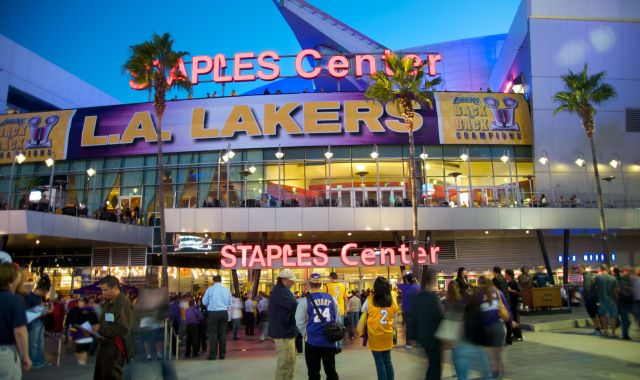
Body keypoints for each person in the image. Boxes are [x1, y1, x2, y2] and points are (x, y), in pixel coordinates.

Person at [295, 273, 340, 380]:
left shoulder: (304, 300)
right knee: (331, 371)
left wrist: (305, 333)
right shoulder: (332, 299)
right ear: (322, 284)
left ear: (309, 285)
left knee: (313, 372)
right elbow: (337, 317)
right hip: (329, 341)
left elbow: (299, 321)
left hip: (312, 341)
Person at [94, 275, 133, 380]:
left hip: (115, 348)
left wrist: (100, 329)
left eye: (106, 290)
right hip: (105, 345)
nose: (103, 293)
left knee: (112, 376)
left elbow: (123, 328)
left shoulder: (123, 303)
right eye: (102, 290)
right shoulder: (108, 301)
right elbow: (107, 320)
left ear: (115, 288)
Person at [408, 269, 443, 380]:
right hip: (434, 337)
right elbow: (439, 317)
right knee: (435, 366)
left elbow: (412, 318)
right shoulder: (434, 298)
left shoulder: (418, 298)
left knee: (431, 364)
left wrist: (411, 336)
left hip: (422, 336)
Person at [362, 277, 399, 380]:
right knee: (387, 360)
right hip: (387, 334)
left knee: (379, 362)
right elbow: (395, 313)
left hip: (374, 335)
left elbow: (363, 309)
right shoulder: (392, 300)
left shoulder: (370, 299)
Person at [0, 263, 32, 379]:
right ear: (12, 278)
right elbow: (20, 331)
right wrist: (25, 356)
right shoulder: (15, 300)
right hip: (4, 354)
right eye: (19, 276)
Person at [475, 276, 510, 379]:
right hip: (499, 326)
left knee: (489, 354)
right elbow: (506, 308)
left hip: (485, 327)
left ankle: (492, 375)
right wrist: (511, 320)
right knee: (499, 354)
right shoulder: (498, 292)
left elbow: (474, 312)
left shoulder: (478, 295)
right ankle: (500, 376)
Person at [268, 269, 299, 380]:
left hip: (284, 330)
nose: (293, 283)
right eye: (291, 281)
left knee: (289, 360)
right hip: (283, 331)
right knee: (285, 362)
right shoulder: (281, 291)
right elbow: (292, 306)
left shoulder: (281, 290)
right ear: (284, 280)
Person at [202, 275, 231, 360]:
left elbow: (204, 302)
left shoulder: (210, 289)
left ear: (213, 281)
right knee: (222, 334)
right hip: (224, 312)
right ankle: (222, 354)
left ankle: (213, 354)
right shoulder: (226, 290)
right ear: (221, 281)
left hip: (213, 313)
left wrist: (210, 305)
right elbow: (230, 302)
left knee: (213, 334)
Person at [25, 274, 52, 369]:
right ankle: (34, 361)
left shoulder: (38, 297)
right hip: (34, 323)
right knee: (34, 343)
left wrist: (43, 310)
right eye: (44, 293)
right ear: (40, 290)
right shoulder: (30, 297)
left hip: (39, 322)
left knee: (40, 343)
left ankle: (40, 360)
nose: (44, 295)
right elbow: (27, 312)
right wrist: (40, 310)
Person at [65, 297, 99, 365]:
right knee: (71, 338)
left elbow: (94, 321)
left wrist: (94, 329)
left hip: (83, 330)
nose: (80, 303)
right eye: (79, 302)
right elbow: (68, 318)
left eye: (82, 302)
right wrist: (67, 326)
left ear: (85, 303)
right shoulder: (73, 310)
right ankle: (72, 348)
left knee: (82, 342)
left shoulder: (90, 311)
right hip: (72, 327)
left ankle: (82, 357)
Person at [594, 265, 618, 337]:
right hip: (611, 300)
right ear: (607, 270)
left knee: (603, 316)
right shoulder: (613, 278)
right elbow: (616, 290)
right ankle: (613, 333)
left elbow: (595, 288)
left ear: (601, 269)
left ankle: (605, 331)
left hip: (601, 300)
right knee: (613, 316)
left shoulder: (597, 278)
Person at [397, 272, 420, 349]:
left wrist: (402, 275)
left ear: (407, 280)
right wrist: (412, 276)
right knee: (416, 326)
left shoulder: (405, 287)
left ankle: (408, 344)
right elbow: (418, 283)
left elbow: (397, 282)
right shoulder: (416, 287)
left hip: (406, 310)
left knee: (408, 327)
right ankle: (417, 343)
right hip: (415, 310)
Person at [325, 272, 347, 349]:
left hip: (331, 310)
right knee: (340, 328)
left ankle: (332, 344)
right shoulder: (343, 286)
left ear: (331, 277)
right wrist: (346, 308)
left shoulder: (327, 286)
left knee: (331, 328)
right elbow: (345, 299)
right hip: (341, 310)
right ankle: (340, 345)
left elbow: (325, 298)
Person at [613, 267, 634, 340]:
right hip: (631, 301)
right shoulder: (632, 280)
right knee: (633, 318)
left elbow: (616, 290)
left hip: (622, 301)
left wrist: (617, 299)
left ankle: (625, 335)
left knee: (625, 320)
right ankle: (624, 333)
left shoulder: (619, 280)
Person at [505, 269, 523, 342]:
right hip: (510, 303)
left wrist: (511, 290)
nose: (505, 276)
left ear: (509, 275)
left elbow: (520, 292)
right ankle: (514, 335)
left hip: (515, 303)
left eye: (505, 274)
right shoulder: (507, 283)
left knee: (516, 319)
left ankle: (519, 336)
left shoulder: (514, 283)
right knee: (512, 319)